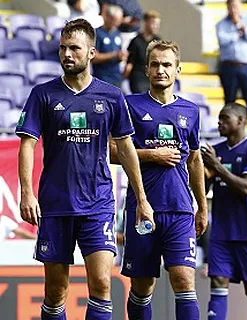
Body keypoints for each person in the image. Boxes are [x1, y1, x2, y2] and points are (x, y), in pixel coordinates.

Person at [15, 18, 154, 320]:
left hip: (98, 203)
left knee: (102, 284)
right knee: (55, 290)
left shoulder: (112, 95)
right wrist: (27, 193)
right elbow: (27, 144)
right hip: (55, 204)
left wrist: (142, 198)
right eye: (63, 48)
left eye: (74, 48)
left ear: (91, 52)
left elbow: (126, 148)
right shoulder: (43, 94)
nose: (66, 54)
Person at [109, 40, 209, 320]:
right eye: (155, 64)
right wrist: (151, 154)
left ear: (178, 70)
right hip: (143, 209)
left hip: (179, 209)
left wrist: (202, 206)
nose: (161, 70)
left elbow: (195, 159)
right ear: (147, 69)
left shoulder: (191, 110)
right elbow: (112, 152)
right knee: (142, 286)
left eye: (167, 65)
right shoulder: (130, 105)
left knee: (183, 280)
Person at [201, 103, 247, 320]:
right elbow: (203, 191)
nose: (219, 122)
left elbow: (246, 187)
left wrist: (217, 167)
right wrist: (205, 175)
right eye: (219, 118)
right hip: (221, 230)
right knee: (218, 282)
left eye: (225, 118)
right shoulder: (218, 150)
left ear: (241, 121)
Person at [217, 0, 247, 133]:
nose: (234, 9)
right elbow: (222, 41)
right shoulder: (221, 24)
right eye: (231, 6)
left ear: (240, 7)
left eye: (236, 6)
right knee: (230, 99)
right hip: (229, 66)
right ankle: (229, 127)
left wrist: (241, 27)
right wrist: (237, 35)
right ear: (227, 8)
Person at [123, 10, 162, 93]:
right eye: (154, 24)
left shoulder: (158, 41)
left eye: (158, 24)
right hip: (138, 78)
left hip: (153, 77)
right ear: (146, 23)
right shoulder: (136, 41)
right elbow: (130, 63)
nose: (156, 27)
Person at [92, 4, 128, 87]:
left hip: (116, 78)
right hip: (102, 78)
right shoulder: (97, 33)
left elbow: (119, 53)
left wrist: (121, 57)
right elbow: (94, 57)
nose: (118, 23)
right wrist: (114, 55)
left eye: (119, 20)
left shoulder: (117, 33)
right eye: (115, 20)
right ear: (108, 17)